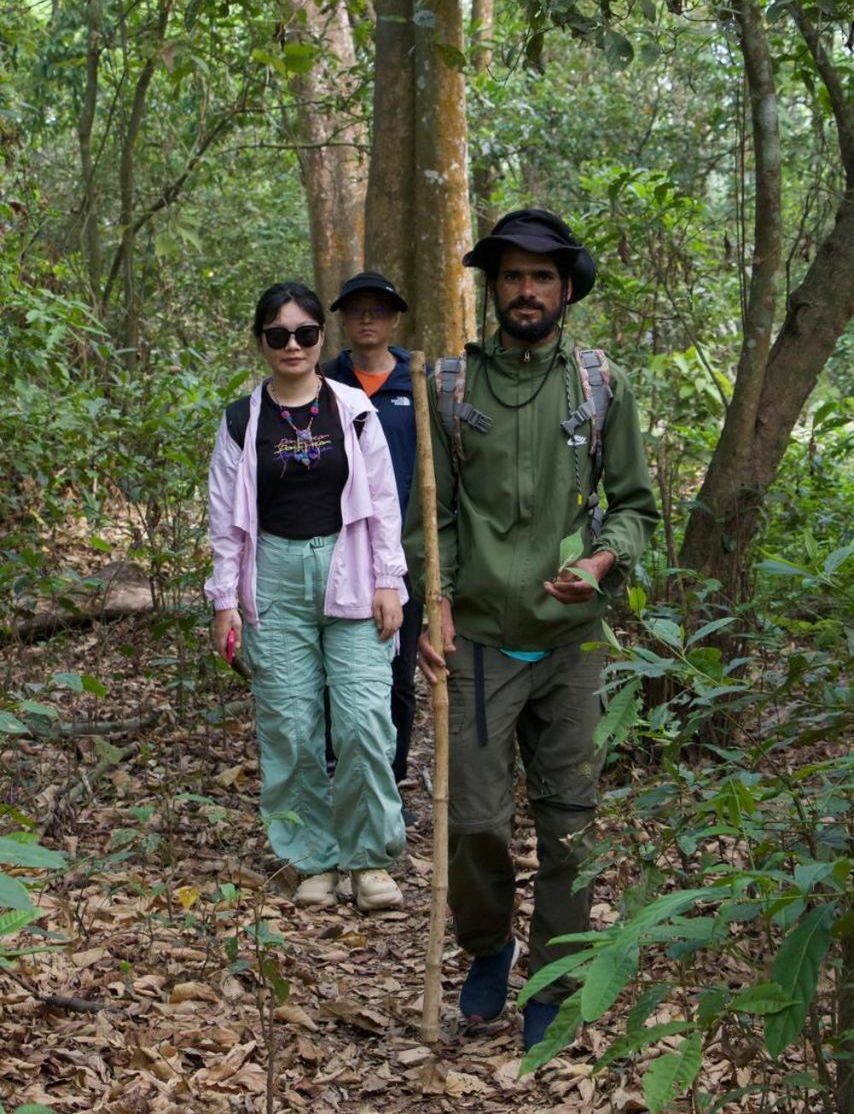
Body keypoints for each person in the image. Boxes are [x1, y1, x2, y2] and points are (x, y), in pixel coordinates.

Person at [405, 209, 659, 1050]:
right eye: (512, 275)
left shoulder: (599, 386)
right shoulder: (449, 386)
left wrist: (601, 564)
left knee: (569, 821)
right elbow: (431, 519)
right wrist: (434, 600)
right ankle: (488, 946)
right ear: (493, 287)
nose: (526, 290)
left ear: (566, 291)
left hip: (571, 642)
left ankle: (551, 973)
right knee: (475, 820)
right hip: (477, 637)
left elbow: (634, 507)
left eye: (542, 277)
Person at [206, 281, 408, 913]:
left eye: (305, 334)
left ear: (323, 337)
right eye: (277, 335)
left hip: (349, 570)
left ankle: (369, 859)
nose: (292, 346)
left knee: (365, 723)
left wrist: (388, 580)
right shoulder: (242, 419)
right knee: (290, 728)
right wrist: (223, 600)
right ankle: (312, 858)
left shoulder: (352, 409)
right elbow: (223, 515)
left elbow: (382, 502)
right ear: (261, 341)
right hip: (273, 579)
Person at [323, 272, 423, 823]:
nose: (367, 318)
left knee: (397, 672)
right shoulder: (322, 379)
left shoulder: (419, 381)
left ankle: (391, 781)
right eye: (355, 309)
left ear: (394, 318)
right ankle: (340, 778)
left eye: (377, 310)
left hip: (400, 554)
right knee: (334, 674)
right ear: (340, 318)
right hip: (335, 551)